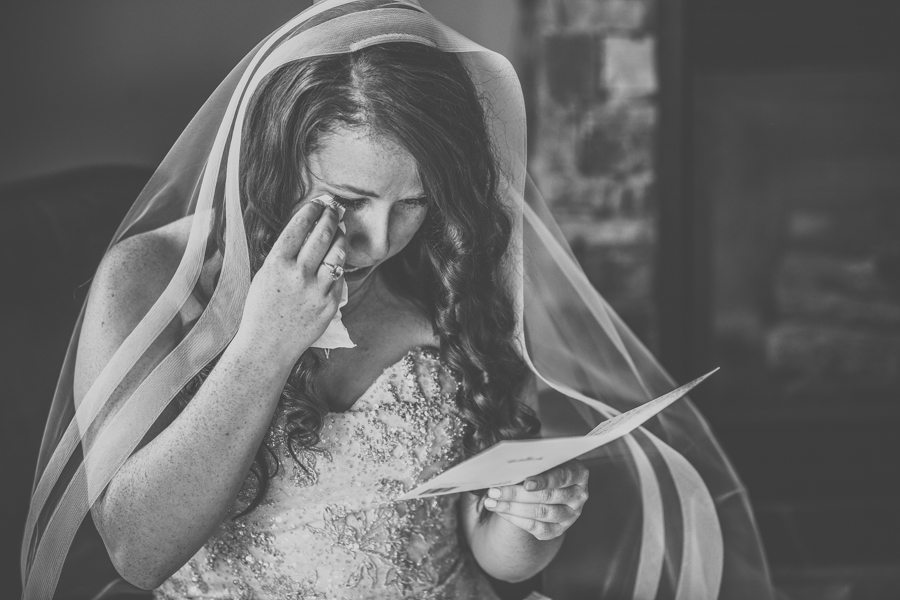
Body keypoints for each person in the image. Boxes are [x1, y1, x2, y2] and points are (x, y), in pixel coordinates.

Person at [22, 2, 775, 599]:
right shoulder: (147, 281)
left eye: (413, 203)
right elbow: (137, 552)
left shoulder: (452, 273)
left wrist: (528, 522)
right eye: (346, 197)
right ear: (276, 160)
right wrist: (264, 345)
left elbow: (489, 554)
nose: (379, 238)